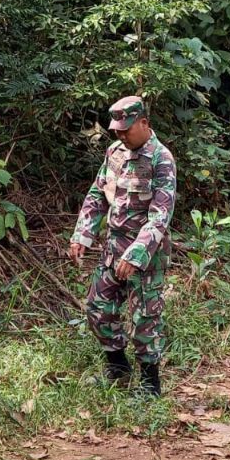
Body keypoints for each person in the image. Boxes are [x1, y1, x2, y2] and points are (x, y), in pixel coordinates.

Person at [68, 96, 177, 396]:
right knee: (98, 306)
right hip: (113, 246)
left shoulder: (161, 159)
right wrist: (82, 234)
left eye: (126, 129)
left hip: (146, 253)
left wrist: (137, 254)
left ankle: (149, 383)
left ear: (144, 123)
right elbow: (96, 194)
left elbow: (160, 216)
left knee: (144, 316)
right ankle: (117, 368)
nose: (120, 134)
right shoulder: (114, 152)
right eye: (116, 129)